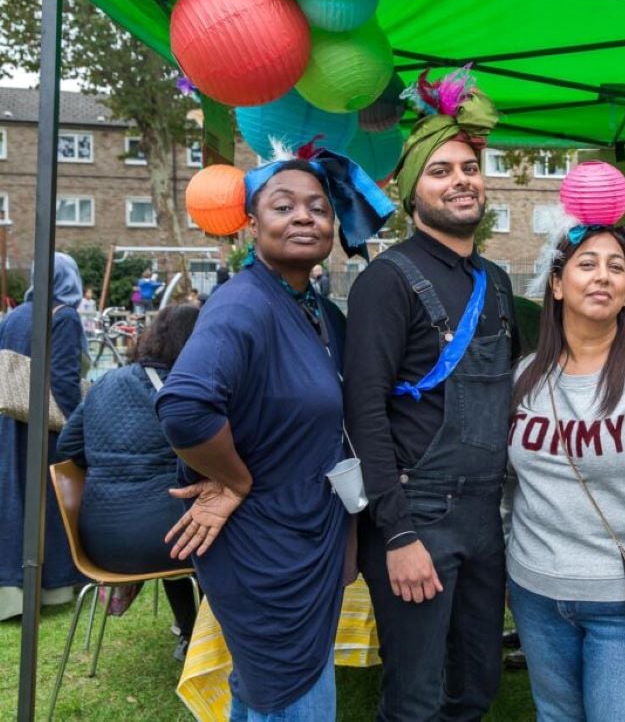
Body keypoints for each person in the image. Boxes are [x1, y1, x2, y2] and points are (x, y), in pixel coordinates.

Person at [156, 145, 394, 719]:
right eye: (283, 205)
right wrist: (233, 480)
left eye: (319, 207)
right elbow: (185, 407)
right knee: (289, 695)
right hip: (265, 549)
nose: (305, 216)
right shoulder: (244, 305)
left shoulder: (315, 308)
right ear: (252, 222)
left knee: (270, 696)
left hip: (311, 534)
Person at [344, 68, 519, 721]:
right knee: (415, 697)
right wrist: (397, 535)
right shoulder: (386, 282)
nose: (461, 180)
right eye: (441, 171)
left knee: (476, 684)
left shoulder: (497, 282)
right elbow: (363, 413)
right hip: (418, 513)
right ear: (411, 189)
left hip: (483, 516)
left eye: (469, 167)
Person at [506, 163, 625, 721]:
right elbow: (508, 485)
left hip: (624, 603)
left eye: (616, 267)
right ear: (557, 283)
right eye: (586, 264)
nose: (603, 276)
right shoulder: (524, 377)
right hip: (536, 595)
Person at [56, 303, 202, 660]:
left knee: (179, 533)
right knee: (211, 531)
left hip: (98, 541)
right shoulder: (189, 389)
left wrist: (115, 460)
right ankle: (208, 641)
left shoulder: (107, 381)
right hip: (167, 538)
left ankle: (190, 632)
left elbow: (68, 446)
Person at [0, 253, 87, 619]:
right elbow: (64, 379)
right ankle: (52, 587)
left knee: (15, 500)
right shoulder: (63, 316)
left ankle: (11, 591)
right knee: (50, 502)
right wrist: (76, 425)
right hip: (48, 426)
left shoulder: (15, 315)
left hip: (10, 422)